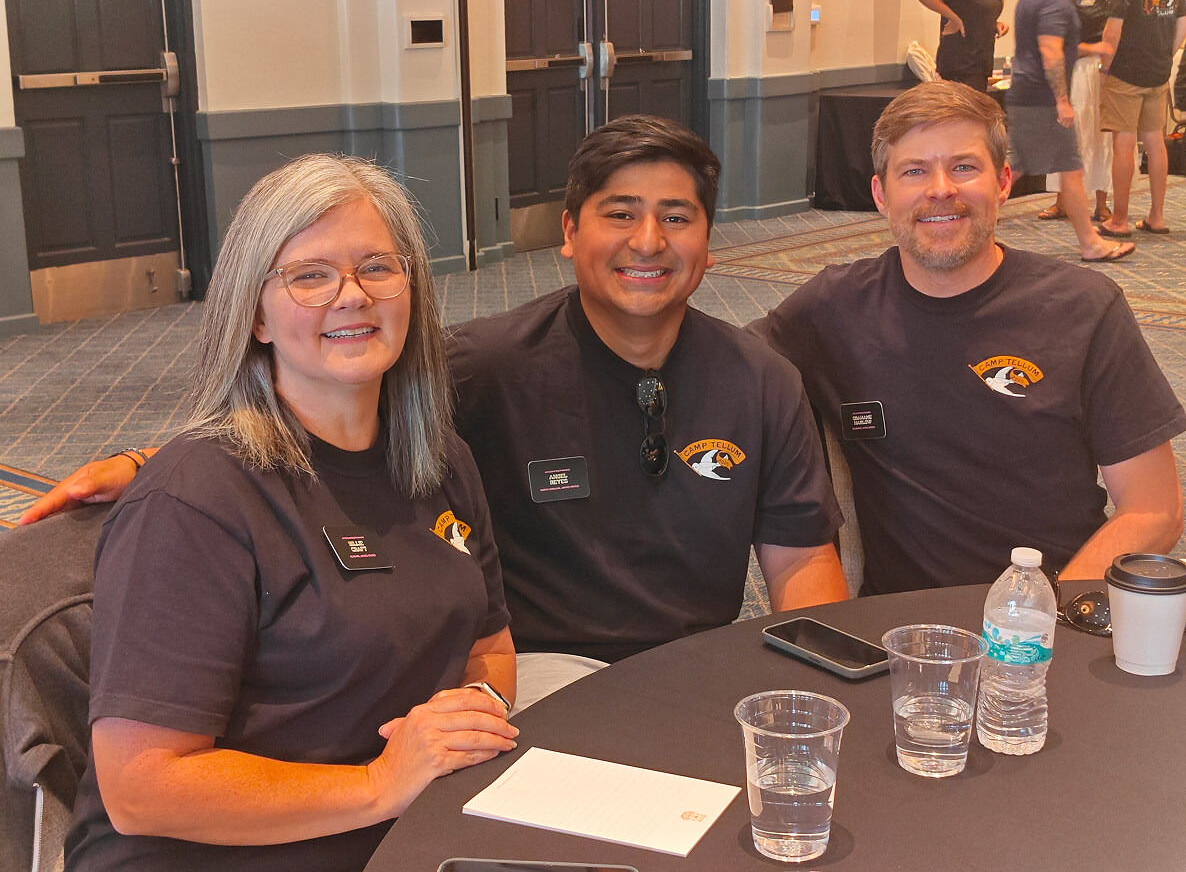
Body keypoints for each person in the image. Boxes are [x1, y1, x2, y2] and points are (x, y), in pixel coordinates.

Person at [24, 117, 848, 671]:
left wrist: (814, 681)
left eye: (677, 217)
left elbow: (804, 561)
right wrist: (155, 459)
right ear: (567, 233)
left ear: (709, 242)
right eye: (619, 213)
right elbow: (318, 415)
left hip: (691, 668)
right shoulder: (485, 366)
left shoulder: (760, 379)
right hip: (536, 672)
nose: (647, 242)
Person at [64, 155, 518, 871]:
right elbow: (140, 787)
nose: (352, 296)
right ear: (256, 316)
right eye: (310, 275)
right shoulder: (194, 500)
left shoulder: (440, 460)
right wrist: (379, 783)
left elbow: (488, 645)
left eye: (377, 267)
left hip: (399, 832)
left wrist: (469, 718)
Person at [750, 80, 1185, 596]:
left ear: (1003, 182)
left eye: (963, 166)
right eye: (914, 171)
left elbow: (1153, 508)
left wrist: (1040, 618)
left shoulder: (1084, 307)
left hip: (1055, 618)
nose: (941, 189)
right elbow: (720, 366)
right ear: (880, 194)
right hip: (903, 636)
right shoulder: (831, 308)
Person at [1008, 0, 1134, 261]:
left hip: (1028, 93)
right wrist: (1062, 100)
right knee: (1062, 167)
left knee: (1042, 166)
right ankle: (1090, 243)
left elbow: (1058, 45)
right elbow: (1050, 50)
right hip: (1042, 99)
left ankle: (1090, 242)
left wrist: (1091, 48)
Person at [1098, 0, 1186, 236]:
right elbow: (1181, 27)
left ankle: (1119, 220)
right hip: (1157, 73)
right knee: (1155, 142)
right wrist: (1163, 58)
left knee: (1123, 145)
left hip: (1126, 73)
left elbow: (1112, 33)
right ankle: (1156, 217)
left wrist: (1104, 70)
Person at [1037, 0, 1116, 223]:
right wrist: (1090, 48)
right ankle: (1061, 201)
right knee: (1071, 135)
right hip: (1078, 70)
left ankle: (1102, 204)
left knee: (1104, 137)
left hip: (1111, 70)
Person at [914, 0, 1010, 91]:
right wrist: (954, 18)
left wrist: (994, 24)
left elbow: (975, 12)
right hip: (961, 65)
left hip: (981, 63)